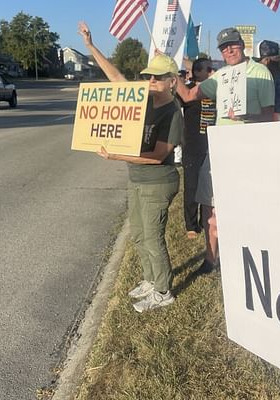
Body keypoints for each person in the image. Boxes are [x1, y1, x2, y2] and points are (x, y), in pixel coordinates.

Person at [79, 21, 183, 312]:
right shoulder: (144, 99)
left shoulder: (172, 113)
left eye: (158, 78)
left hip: (158, 181)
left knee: (153, 236)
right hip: (138, 180)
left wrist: (117, 156)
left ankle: (163, 291)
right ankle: (150, 280)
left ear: (172, 80)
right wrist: (90, 46)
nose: (151, 82)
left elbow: (157, 155)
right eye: (148, 77)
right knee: (138, 234)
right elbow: (116, 78)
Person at [176, 27, 275, 273]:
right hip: (219, 148)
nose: (229, 50)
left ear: (242, 45)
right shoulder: (220, 76)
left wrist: (245, 115)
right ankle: (211, 259)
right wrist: (171, 72)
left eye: (233, 45)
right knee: (209, 204)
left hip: (248, 149)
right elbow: (188, 96)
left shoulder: (260, 72)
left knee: (246, 206)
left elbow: (269, 115)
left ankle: (247, 257)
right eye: (223, 47)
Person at [179, 58, 216, 245]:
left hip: (212, 145)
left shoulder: (216, 88)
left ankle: (205, 220)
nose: (211, 71)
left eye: (212, 68)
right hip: (193, 145)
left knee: (209, 188)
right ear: (197, 72)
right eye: (207, 69)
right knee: (192, 186)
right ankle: (192, 225)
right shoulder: (188, 90)